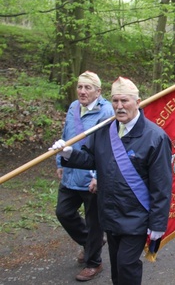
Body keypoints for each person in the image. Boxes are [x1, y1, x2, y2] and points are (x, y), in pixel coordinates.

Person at [51, 77, 172, 285]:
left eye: (125, 101)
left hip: (136, 216)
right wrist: (69, 153)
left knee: (127, 266)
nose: (119, 106)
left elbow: (162, 185)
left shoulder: (155, 137)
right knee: (117, 267)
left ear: (138, 102)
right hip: (109, 212)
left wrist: (158, 223)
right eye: (115, 101)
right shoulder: (104, 129)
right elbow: (91, 159)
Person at [55, 71, 114, 281]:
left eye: (87, 87)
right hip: (71, 172)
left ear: (98, 91)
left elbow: (108, 147)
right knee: (63, 212)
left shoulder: (107, 112)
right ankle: (91, 243)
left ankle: (93, 262)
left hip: (91, 176)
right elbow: (65, 136)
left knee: (94, 222)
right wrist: (60, 161)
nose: (82, 91)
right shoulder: (73, 107)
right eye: (80, 87)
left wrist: (99, 175)